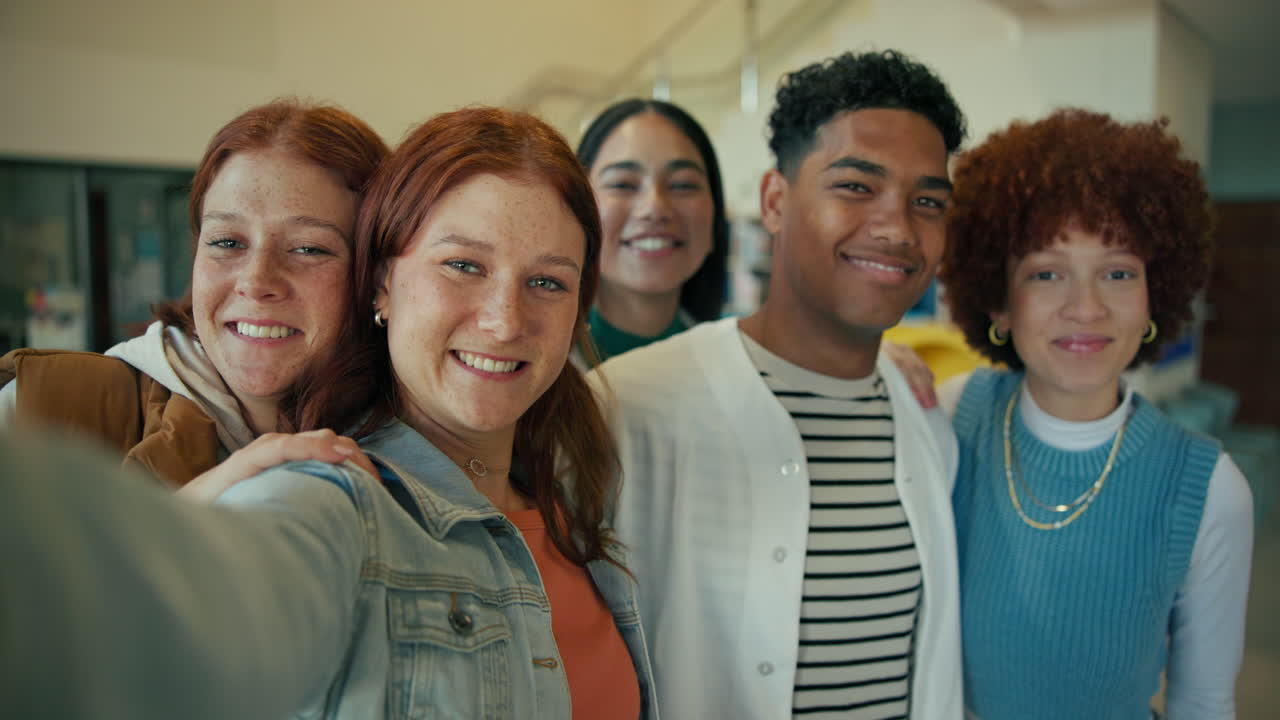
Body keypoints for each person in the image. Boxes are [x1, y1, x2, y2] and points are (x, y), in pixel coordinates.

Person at [0, 107, 656, 719]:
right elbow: (179, 625)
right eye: (462, 264)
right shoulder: (334, 498)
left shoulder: (575, 502)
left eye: (547, 281)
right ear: (381, 284)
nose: (505, 318)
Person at [592, 50, 967, 719]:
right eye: (855, 186)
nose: (896, 228)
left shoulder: (928, 423)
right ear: (774, 200)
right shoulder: (625, 406)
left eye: (928, 201)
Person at [927, 109, 1251, 719]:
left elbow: (1204, 700)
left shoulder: (1208, 489)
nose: (1086, 307)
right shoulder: (948, 421)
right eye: (1047, 273)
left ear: (1157, 296)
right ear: (999, 303)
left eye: (1118, 272)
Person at [0, 99, 388, 488]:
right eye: (227, 242)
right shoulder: (40, 407)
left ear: (377, 279)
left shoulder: (420, 442)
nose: (255, 282)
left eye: (308, 248)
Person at [575, 98, 729, 361]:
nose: (655, 208)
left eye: (683, 185)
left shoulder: (738, 366)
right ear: (578, 206)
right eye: (623, 184)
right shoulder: (535, 370)